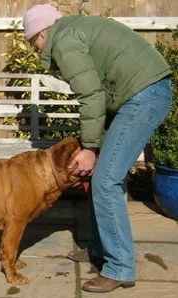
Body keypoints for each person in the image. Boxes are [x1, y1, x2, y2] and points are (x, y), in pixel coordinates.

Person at [23, 4, 172, 293]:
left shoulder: (64, 42)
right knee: (100, 175)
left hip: (143, 97)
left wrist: (90, 146)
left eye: (32, 43)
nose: (35, 49)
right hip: (141, 93)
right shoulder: (73, 30)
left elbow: (91, 95)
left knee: (105, 180)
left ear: (41, 34)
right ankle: (100, 250)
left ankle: (119, 267)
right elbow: (98, 92)